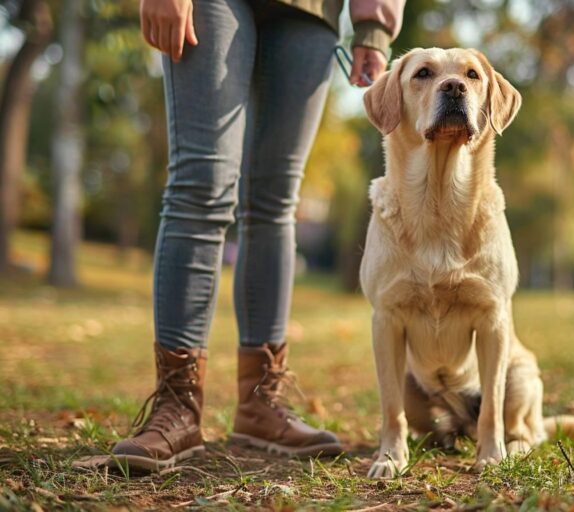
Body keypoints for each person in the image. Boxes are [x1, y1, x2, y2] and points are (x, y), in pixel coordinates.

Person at [110, 0, 405, 470]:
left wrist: (373, 24)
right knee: (200, 185)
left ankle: (259, 404)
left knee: (275, 202)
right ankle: (177, 405)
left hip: (311, 12)